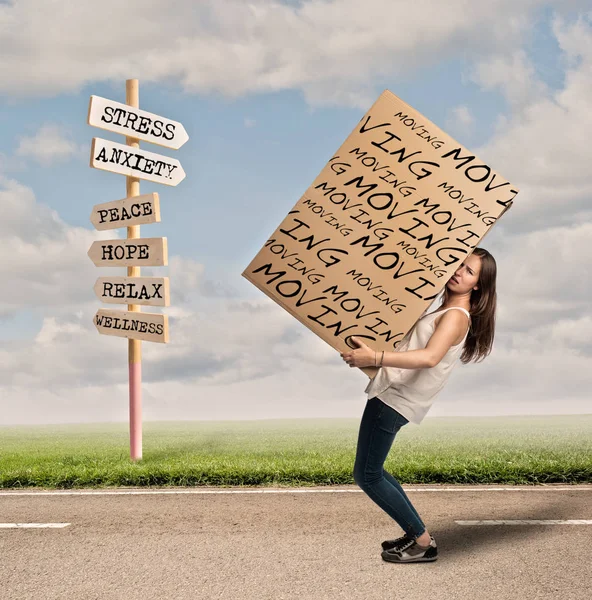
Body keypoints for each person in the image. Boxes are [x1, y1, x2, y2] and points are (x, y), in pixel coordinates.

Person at [341, 247, 497, 563]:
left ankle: (422, 542)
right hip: (394, 394)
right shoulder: (443, 309)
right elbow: (411, 349)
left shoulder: (455, 316)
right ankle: (414, 531)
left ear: (478, 285)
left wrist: (373, 357)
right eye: (460, 264)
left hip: (395, 400)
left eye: (469, 271)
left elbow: (428, 358)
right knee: (375, 470)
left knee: (367, 475)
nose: (459, 272)